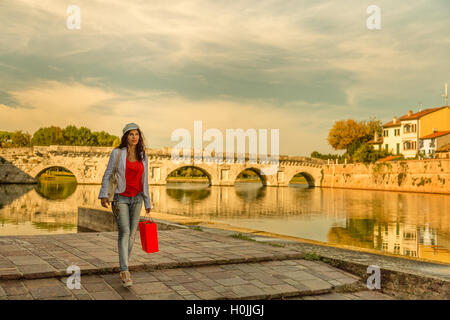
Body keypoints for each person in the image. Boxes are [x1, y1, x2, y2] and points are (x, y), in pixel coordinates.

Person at [98, 123, 152, 287]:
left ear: (139, 137)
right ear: (125, 137)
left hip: (137, 198)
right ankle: (124, 270)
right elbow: (108, 173)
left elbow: (145, 180)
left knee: (132, 234)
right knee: (125, 231)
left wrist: (147, 201)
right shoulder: (117, 153)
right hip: (120, 197)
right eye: (131, 134)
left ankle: (124, 266)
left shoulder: (143, 155)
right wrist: (104, 194)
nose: (134, 137)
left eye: (136, 134)